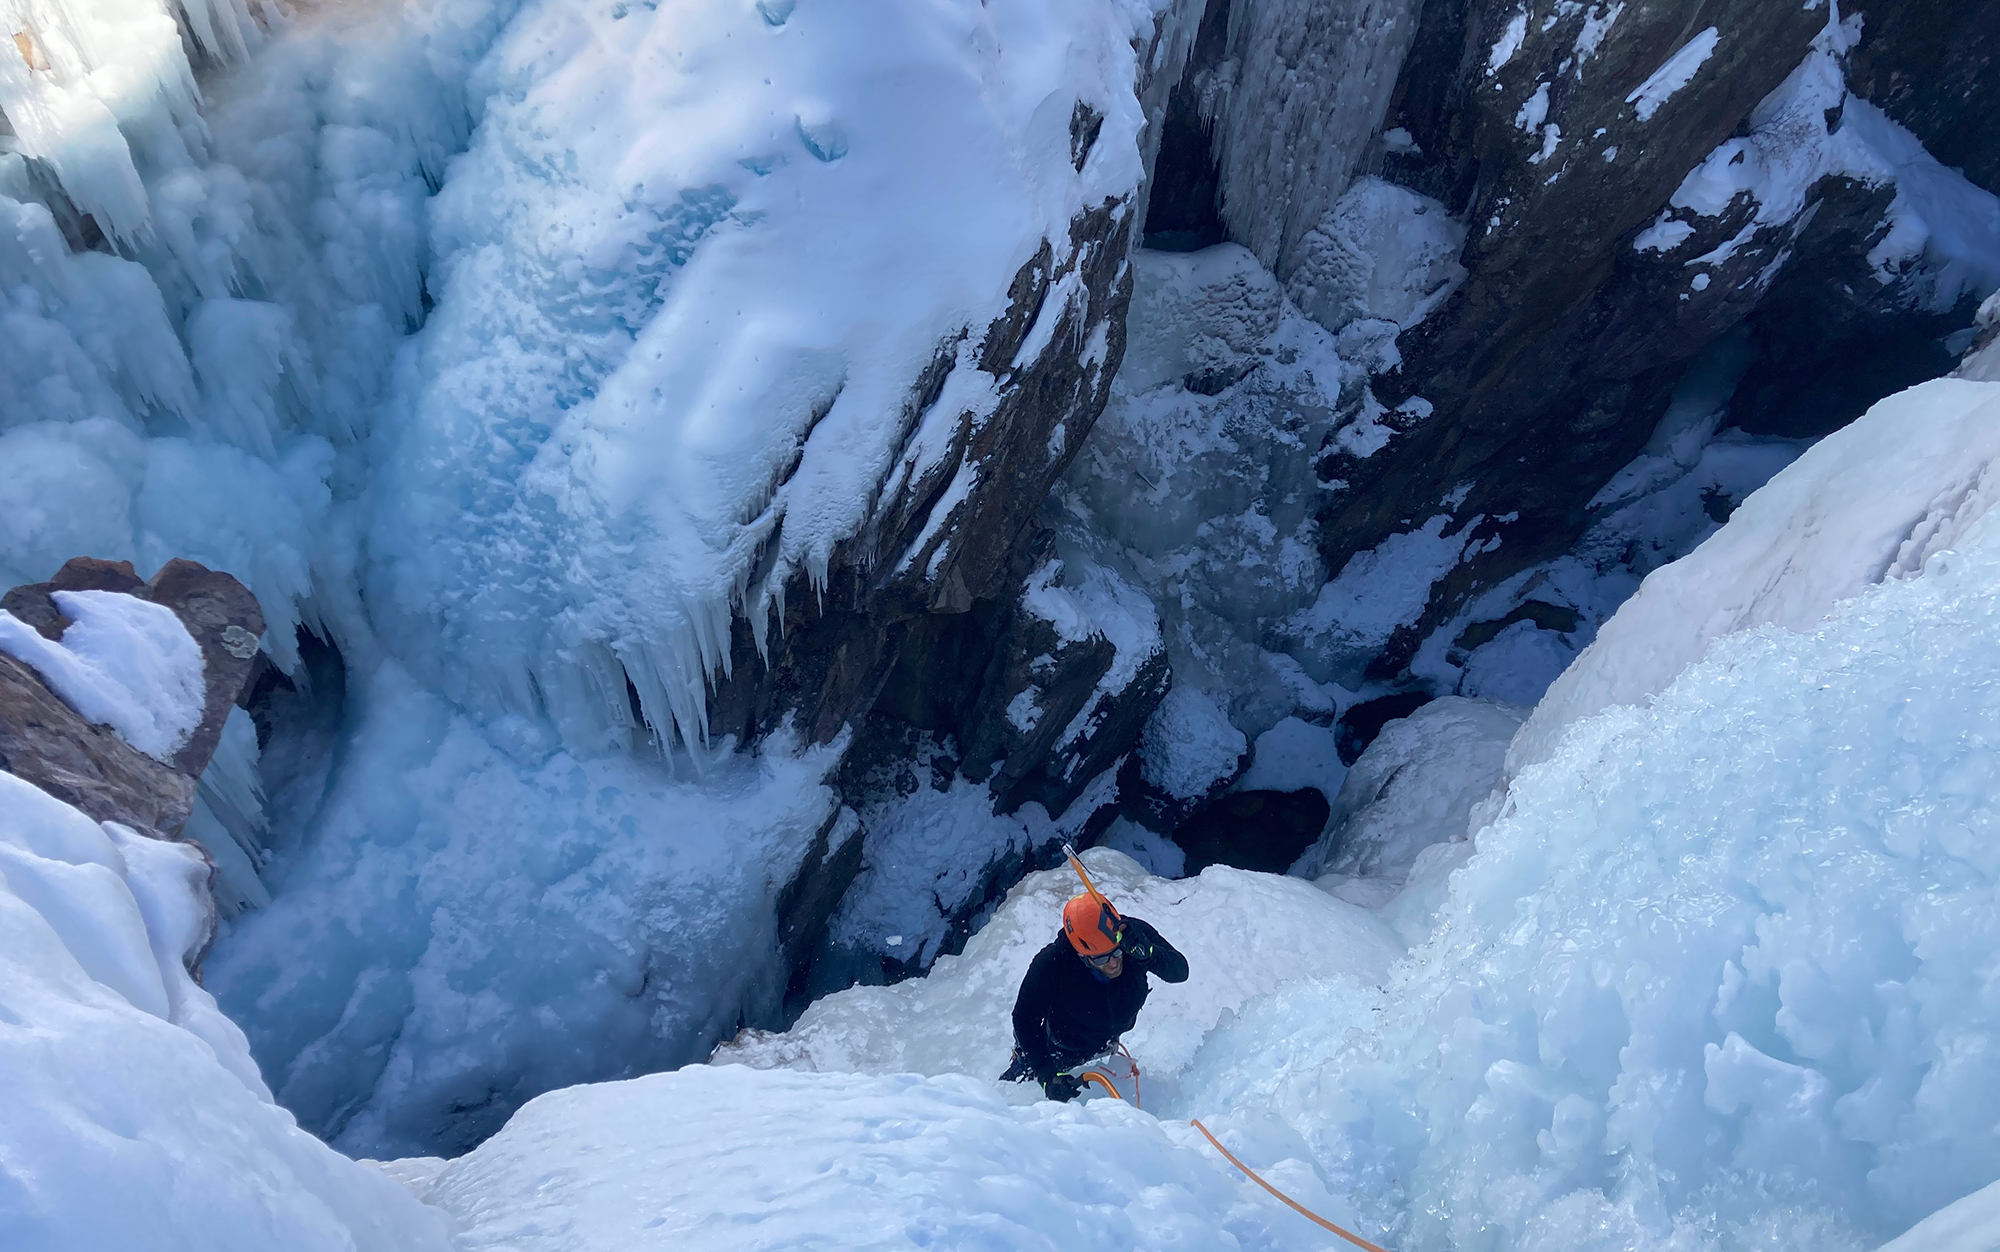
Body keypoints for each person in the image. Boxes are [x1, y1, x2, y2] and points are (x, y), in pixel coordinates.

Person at [1001, 891, 1188, 1100]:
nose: (1114, 963)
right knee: (1015, 1099)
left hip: (1103, 1041)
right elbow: (1025, 1017)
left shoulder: (1133, 937)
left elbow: (1180, 972)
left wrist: (1149, 954)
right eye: (1101, 959)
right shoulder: (1053, 963)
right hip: (1058, 1048)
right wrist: (1046, 1075)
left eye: (1117, 953)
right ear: (1082, 955)